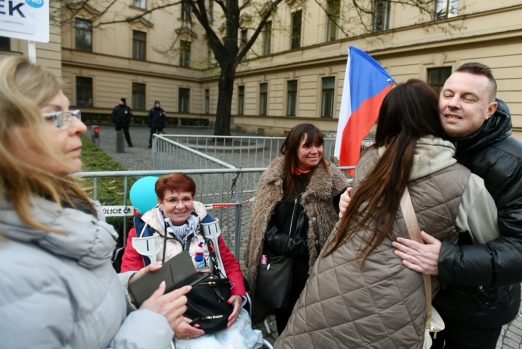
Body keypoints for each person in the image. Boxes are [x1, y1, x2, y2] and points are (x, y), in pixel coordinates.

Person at [340, 63, 522, 349]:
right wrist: (351, 200)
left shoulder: (514, 162)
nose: (453, 104)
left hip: (474, 310)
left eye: (468, 98)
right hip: (417, 298)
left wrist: (447, 260)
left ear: (490, 109)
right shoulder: (430, 140)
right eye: (448, 94)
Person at [275, 80, 498, 348]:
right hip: (392, 307)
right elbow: (493, 248)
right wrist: (448, 256)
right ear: (434, 116)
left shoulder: (368, 160)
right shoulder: (464, 183)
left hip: (331, 290)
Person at [0, 56, 191, 348]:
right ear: (7, 135)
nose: (80, 127)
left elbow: (78, 308)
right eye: (56, 116)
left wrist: (126, 286)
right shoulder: (10, 280)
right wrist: (154, 324)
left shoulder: (66, 208)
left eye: (72, 112)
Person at [121, 173, 263, 348]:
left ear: (193, 198)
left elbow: (228, 263)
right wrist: (169, 322)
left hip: (212, 303)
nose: (180, 206)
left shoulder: (207, 227)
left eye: (186, 199)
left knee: (237, 343)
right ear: (160, 201)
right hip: (173, 311)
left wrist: (238, 294)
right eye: (172, 200)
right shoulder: (142, 234)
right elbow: (133, 286)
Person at [245, 123, 348, 334]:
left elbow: (346, 213)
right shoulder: (275, 177)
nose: (315, 151)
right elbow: (262, 224)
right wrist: (296, 245)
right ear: (293, 148)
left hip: (313, 265)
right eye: (307, 146)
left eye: (318, 145)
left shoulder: (332, 177)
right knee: (285, 316)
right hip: (280, 262)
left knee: (312, 319)